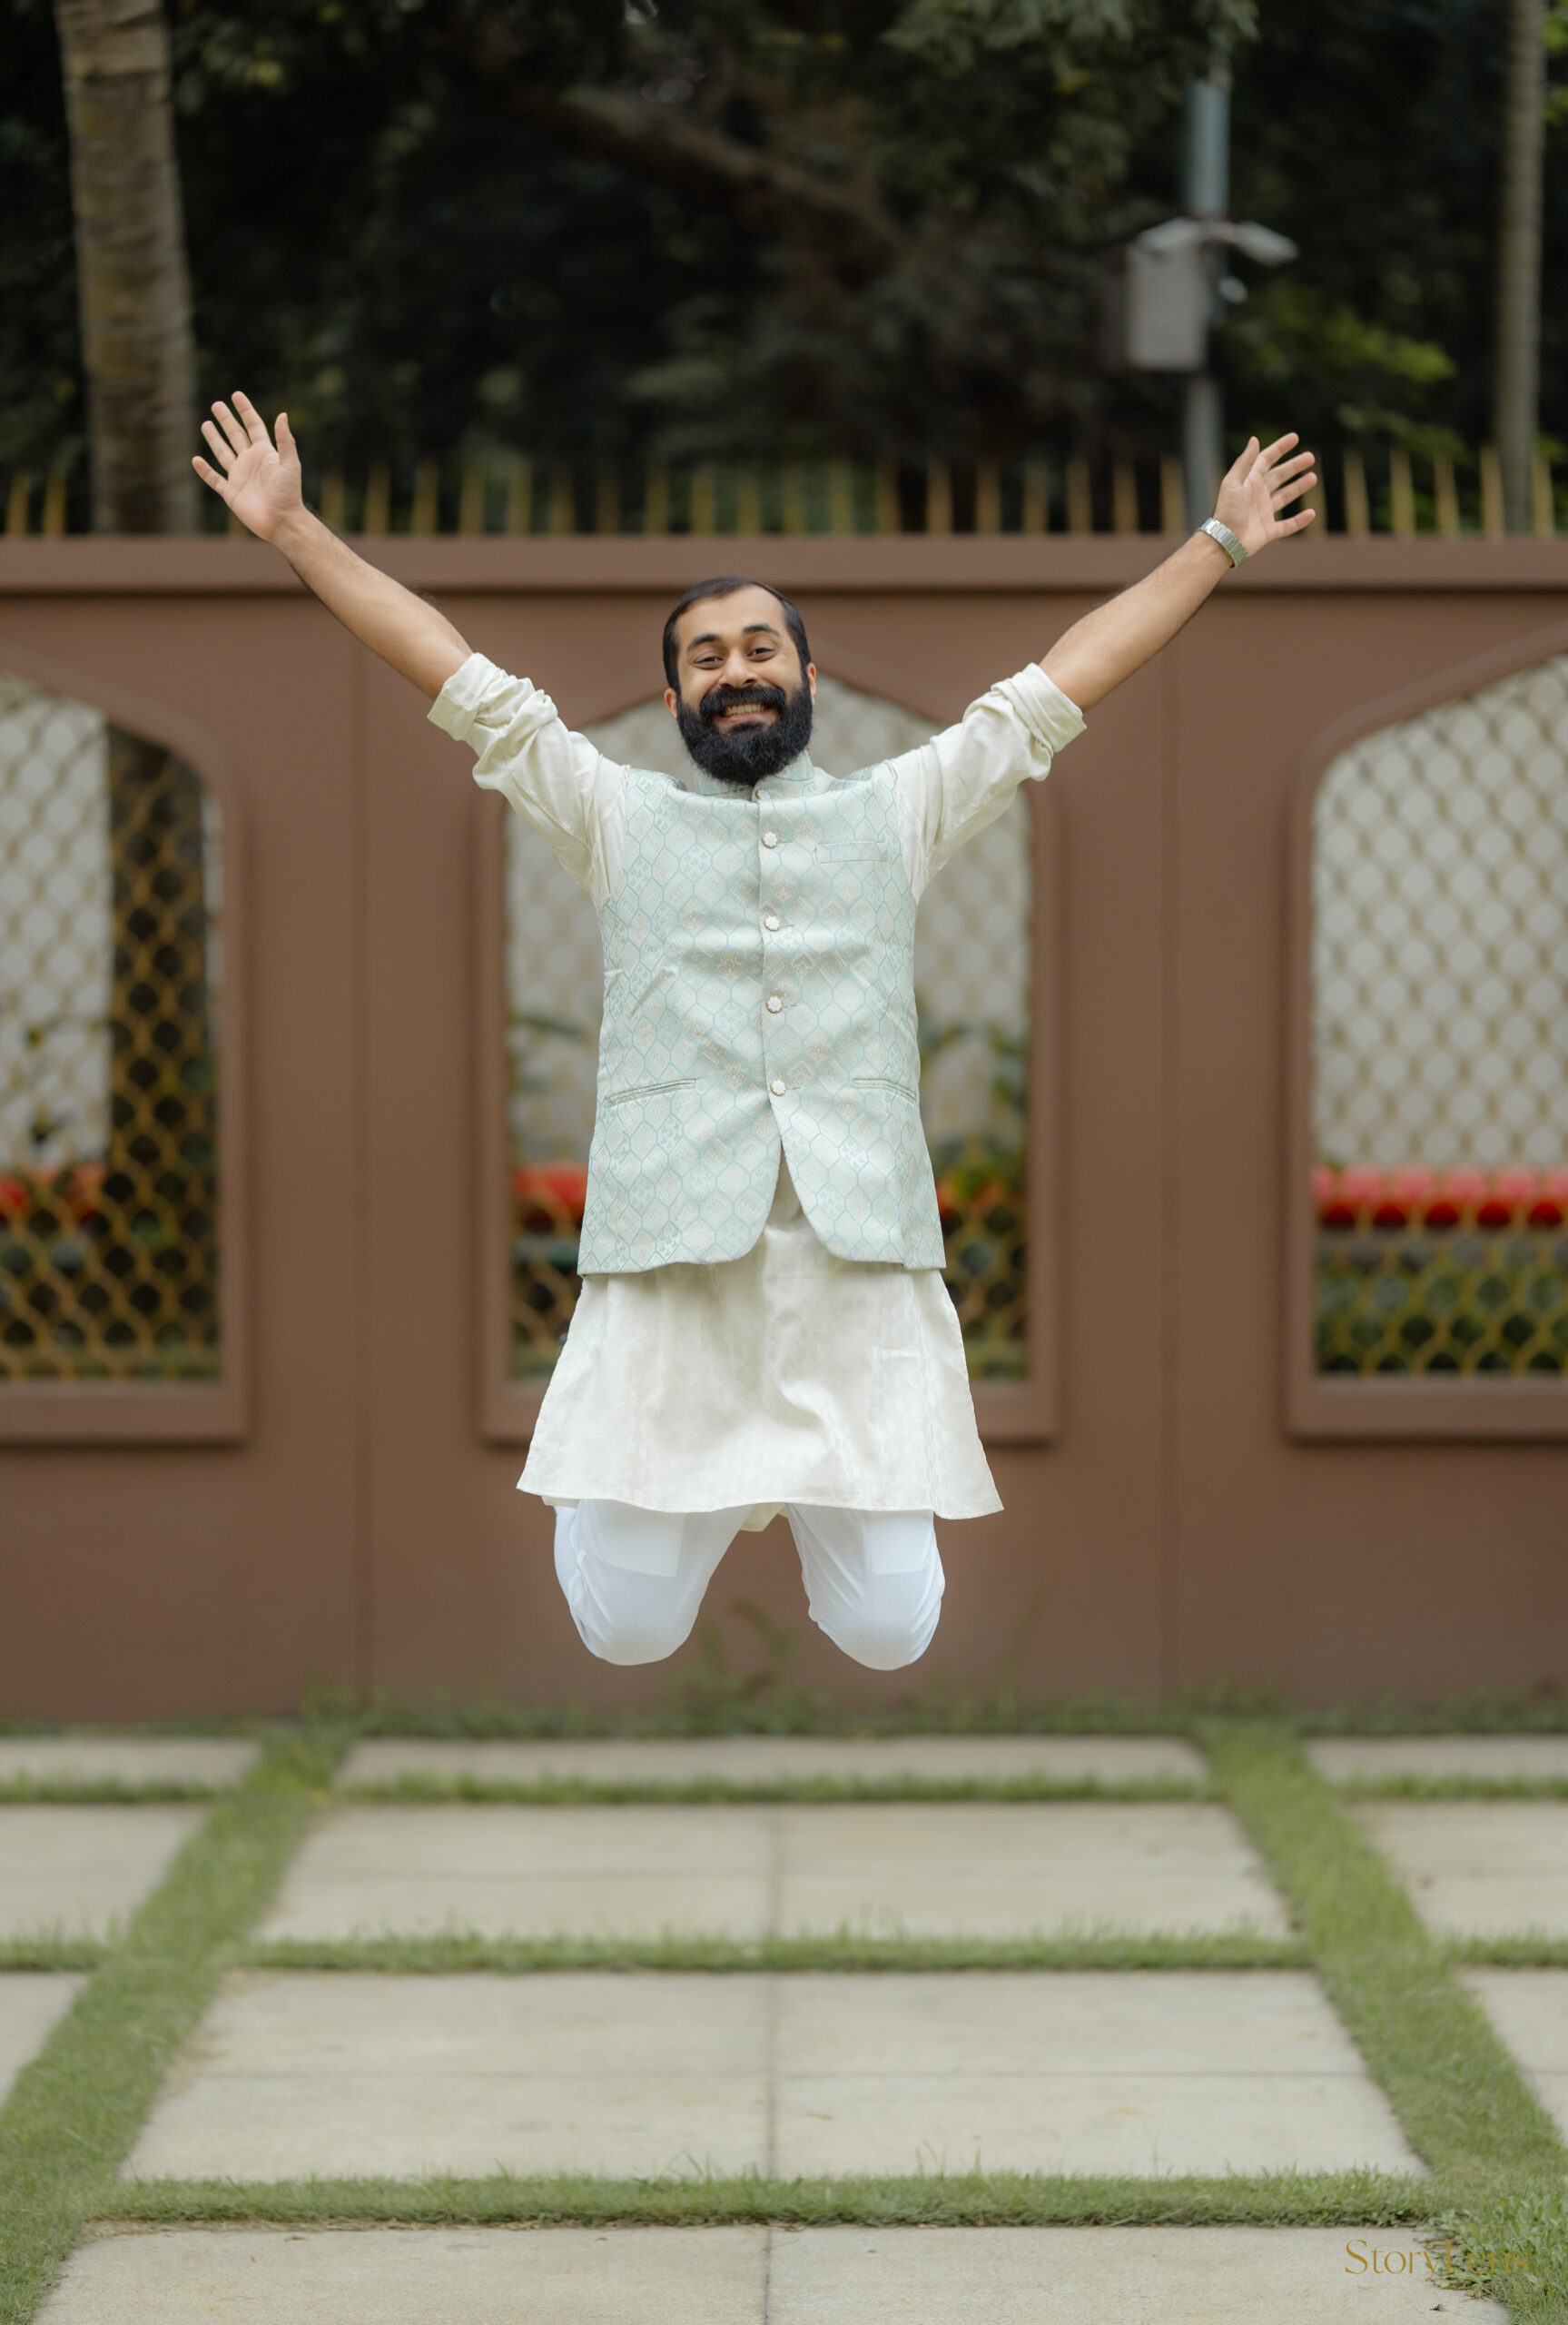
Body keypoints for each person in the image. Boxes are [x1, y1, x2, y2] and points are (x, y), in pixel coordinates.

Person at [193, 396, 1316, 1674]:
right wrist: (294, 532)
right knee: (628, 1633)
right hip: (675, 1269)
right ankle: (613, 1471)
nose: (735, 671)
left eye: (760, 649)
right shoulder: (615, 818)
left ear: (807, 680)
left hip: (856, 1267)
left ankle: (770, 1490)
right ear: (674, 694)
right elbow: (460, 682)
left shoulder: (899, 812)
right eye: (706, 657)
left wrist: (1219, 543)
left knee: (891, 1632)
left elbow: (1058, 688)